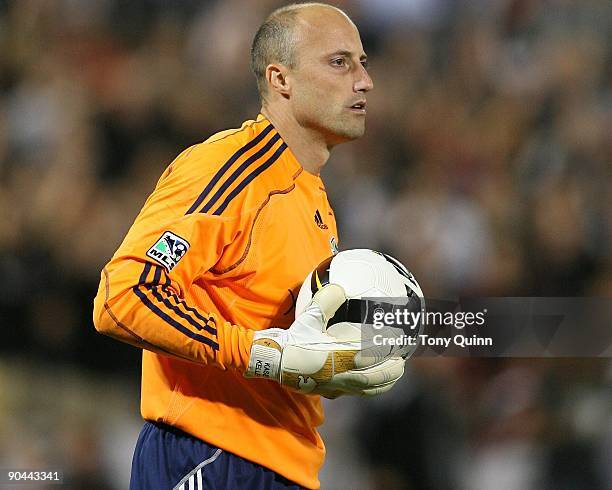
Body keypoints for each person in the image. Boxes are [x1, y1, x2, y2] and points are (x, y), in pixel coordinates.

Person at [93, 3, 406, 489]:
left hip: (283, 467)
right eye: (340, 62)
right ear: (281, 79)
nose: (364, 81)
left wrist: (330, 363)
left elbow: (283, 340)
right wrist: (263, 353)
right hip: (212, 455)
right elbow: (124, 296)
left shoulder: (312, 196)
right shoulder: (231, 169)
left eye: (364, 63)